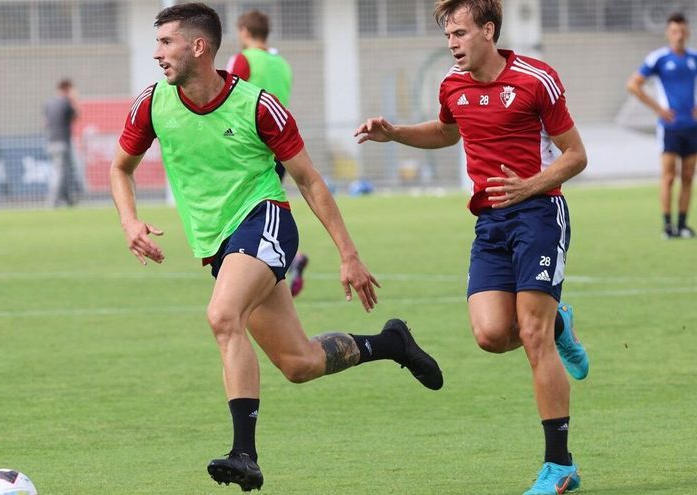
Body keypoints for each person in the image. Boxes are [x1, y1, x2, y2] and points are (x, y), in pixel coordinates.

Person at [109, 3, 443, 492]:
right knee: (299, 364)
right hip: (219, 244)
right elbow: (121, 168)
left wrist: (348, 254)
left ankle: (244, 453)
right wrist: (129, 220)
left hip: (265, 218)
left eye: (165, 43)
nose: (156, 53)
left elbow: (308, 180)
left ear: (198, 47)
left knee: (224, 316)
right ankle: (390, 343)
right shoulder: (151, 104)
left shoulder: (258, 105)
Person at [355, 1, 589, 493]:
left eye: (460, 32)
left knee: (532, 334)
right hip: (489, 224)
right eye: (448, 35)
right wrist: (395, 133)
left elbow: (575, 155)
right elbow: (446, 131)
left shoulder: (535, 79)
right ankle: (561, 320)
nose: (453, 42)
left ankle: (560, 464)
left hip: (540, 215)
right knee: (489, 334)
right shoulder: (452, 85)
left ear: (488, 30)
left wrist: (532, 185)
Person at [226, 9, 309, 296]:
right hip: (279, 147)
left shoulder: (242, 60)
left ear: (244, 32)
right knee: (267, 207)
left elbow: (229, 99)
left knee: (244, 213)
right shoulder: (283, 64)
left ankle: (280, 265)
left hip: (250, 149)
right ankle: (288, 261)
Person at [627, 12, 697, 239]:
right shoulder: (658, 58)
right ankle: (668, 226)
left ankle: (683, 225)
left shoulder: (694, 58)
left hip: (692, 127)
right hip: (669, 127)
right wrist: (659, 109)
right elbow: (633, 85)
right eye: (674, 31)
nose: (679, 35)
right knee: (668, 176)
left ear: (687, 32)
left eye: (682, 31)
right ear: (668, 32)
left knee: (688, 176)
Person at [44, 78, 80, 207]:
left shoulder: (48, 103)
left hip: (51, 141)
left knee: (64, 171)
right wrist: (74, 100)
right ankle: (52, 202)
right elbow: (76, 116)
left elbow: (45, 123)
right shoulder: (65, 103)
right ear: (67, 90)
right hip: (62, 142)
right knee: (60, 172)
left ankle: (68, 199)